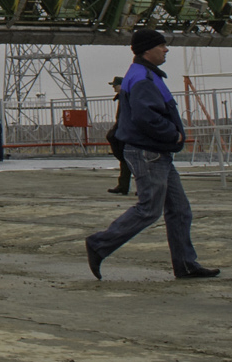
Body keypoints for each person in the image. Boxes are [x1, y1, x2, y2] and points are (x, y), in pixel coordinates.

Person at [86, 29, 219, 280]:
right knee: (148, 210)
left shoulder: (144, 74)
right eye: (162, 45)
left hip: (157, 153)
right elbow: (146, 116)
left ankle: (186, 264)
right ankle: (99, 244)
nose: (166, 49)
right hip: (149, 152)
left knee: (180, 210)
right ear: (148, 49)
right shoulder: (143, 78)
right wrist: (174, 134)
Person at [103, 76, 132, 195]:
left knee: (131, 160)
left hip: (127, 132)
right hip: (124, 131)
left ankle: (132, 186)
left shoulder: (127, 97)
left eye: (115, 85)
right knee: (126, 160)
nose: (114, 87)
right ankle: (123, 186)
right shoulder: (124, 97)